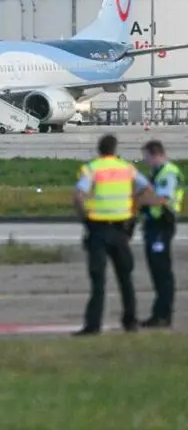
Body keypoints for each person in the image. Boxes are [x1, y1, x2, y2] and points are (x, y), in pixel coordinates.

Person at [72, 134, 158, 336]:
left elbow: (79, 195)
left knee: (98, 280)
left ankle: (93, 325)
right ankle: (130, 321)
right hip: (121, 229)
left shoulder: (92, 168)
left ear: (99, 149)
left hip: (98, 228)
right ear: (115, 149)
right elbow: (146, 189)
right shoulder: (126, 168)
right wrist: (133, 208)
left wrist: (84, 216)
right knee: (125, 278)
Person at [139, 140, 184, 328]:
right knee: (157, 270)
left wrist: (141, 199)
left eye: (146, 157)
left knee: (162, 270)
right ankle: (160, 312)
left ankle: (163, 314)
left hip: (162, 225)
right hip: (154, 225)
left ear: (154, 154)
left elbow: (162, 199)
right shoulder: (157, 173)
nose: (146, 161)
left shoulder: (168, 173)